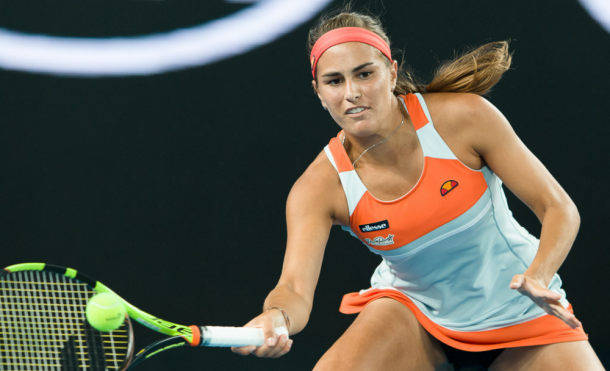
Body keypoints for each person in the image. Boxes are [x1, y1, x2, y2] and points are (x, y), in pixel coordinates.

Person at [231, 7, 605, 371]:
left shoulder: (464, 118)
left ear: (391, 72)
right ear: (318, 91)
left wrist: (538, 275)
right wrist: (275, 316)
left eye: (364, 74)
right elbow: (294, 289)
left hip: (520, 309)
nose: (351, 93)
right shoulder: (317, 188)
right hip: (415, 313)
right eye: (334, 81)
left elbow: (557, 207)